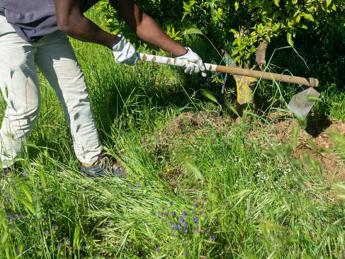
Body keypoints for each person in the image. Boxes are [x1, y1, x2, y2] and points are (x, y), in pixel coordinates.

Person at [0, 0, 205, 177]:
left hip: (48, 27)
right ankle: (4, 169)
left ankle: (92, 161)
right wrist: (114, 42)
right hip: (10, 23)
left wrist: (182, 52)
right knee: (25, 106)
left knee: (76, 92)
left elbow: (138, 20)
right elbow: (68, 22)